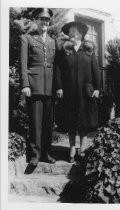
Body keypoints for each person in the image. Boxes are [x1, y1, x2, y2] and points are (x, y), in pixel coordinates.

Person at [55, 21, 101, 163]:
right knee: (71, 121)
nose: (72, 33)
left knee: (84, 121)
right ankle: (72, 149)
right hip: (69, 92)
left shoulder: (88, 50)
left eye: (75, 31)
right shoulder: (64, 50)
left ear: (81, 33)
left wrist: (98, 88)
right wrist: (59, 87)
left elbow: (96, 70)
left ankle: (82, 150)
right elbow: (58, 70)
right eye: (70, 31)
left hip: (85, 92)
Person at [20, 8, 56, 166]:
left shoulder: (52, 41)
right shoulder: (27, 38)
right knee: (35, 123)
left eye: (47, 20)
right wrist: (25, 84)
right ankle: (35, 155)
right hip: (34, 86)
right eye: (41, 19)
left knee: (48, 123)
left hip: (50, 87)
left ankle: (46, 153)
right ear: (36, 21)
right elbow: (23, 64)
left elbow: (55, 66)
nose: (44, 22)